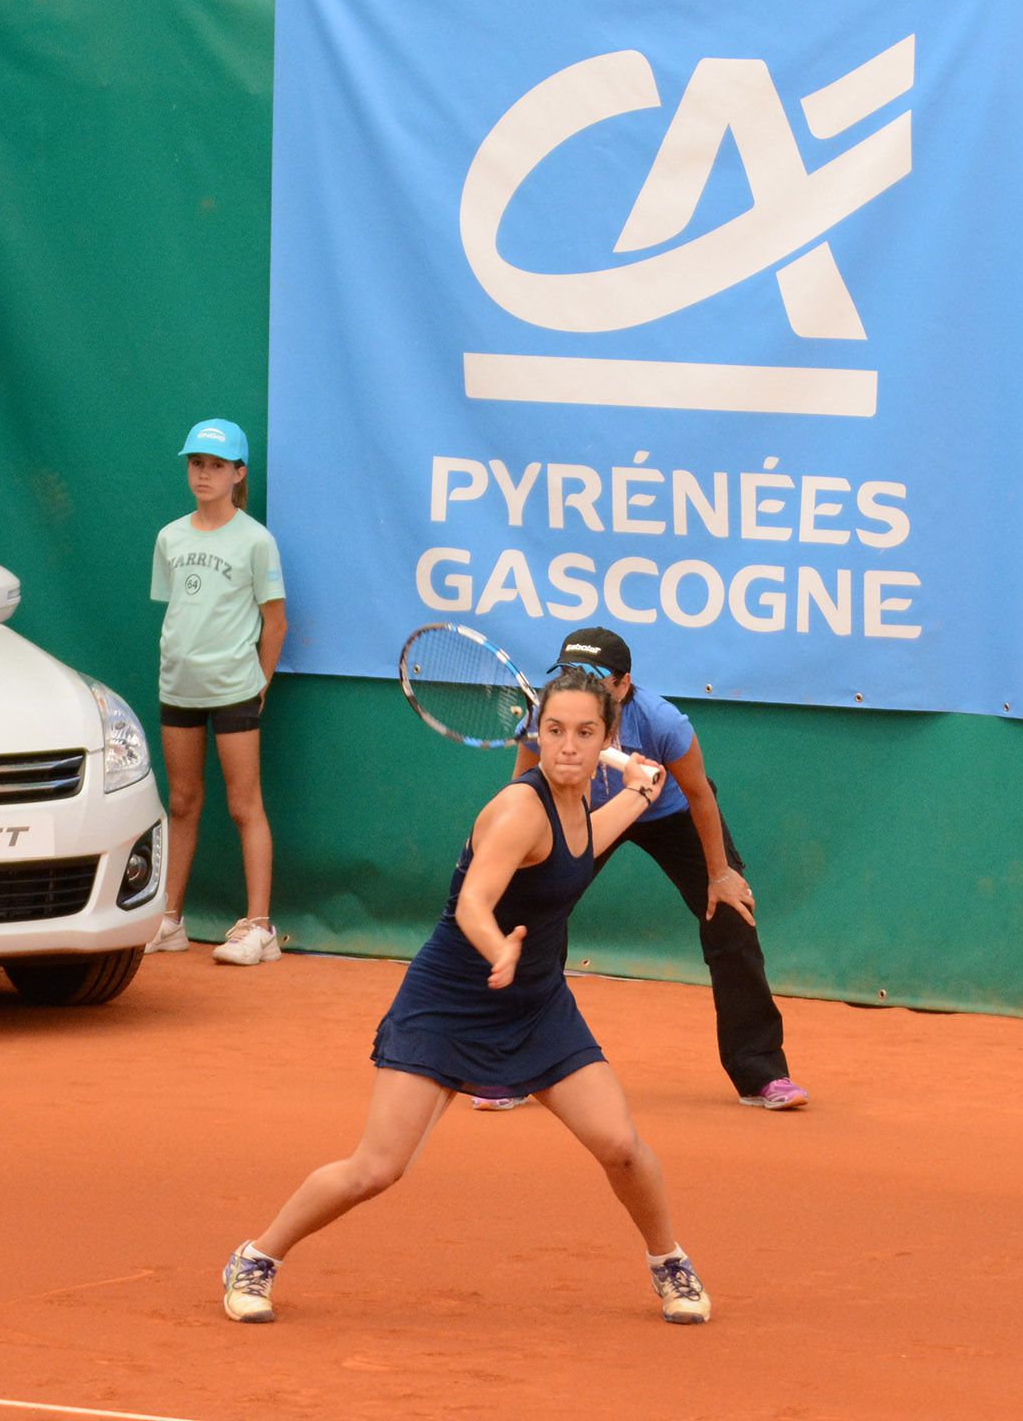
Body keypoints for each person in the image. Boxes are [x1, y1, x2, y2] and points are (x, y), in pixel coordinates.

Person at [219, 669, 712, 1326]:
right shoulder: (518, 810)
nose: (567, 746)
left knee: (621, 1146)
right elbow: (476, 901)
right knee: (377, 1168)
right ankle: (256, 1257)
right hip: (449, 1000)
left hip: (535, 1004)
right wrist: (497, 947)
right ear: (536, 733)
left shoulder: (578, 807)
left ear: (608, 739)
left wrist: (640, 792)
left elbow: (588, 840)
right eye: (555, 730)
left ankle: (668, 1260)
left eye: (584, 732)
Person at [484, 625, 808, 1112]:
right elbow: (521, 788)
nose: (577, 684)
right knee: (533, 920)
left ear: (623, 684)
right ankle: (516, 1067)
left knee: (731, 917)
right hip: (583, 814)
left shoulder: (662, 722)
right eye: (568, 673)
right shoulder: (545, 717)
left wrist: (719, 875)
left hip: (669, 814)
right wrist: (515, 855)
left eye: (592, 676)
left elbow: (700, 795)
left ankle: (761, 1071)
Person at [150, 418, 287, 966]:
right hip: (178, 687)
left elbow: (275, 623)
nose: (203, 474)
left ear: (238, 474)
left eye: (215, 465)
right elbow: (181, 611)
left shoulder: (256, 540)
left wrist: (261, 685)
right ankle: (169, 920)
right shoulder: (170, 537)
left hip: (235, 689)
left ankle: (259, 928)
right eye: (196, 464)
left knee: (243, 804)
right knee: (181, 802)